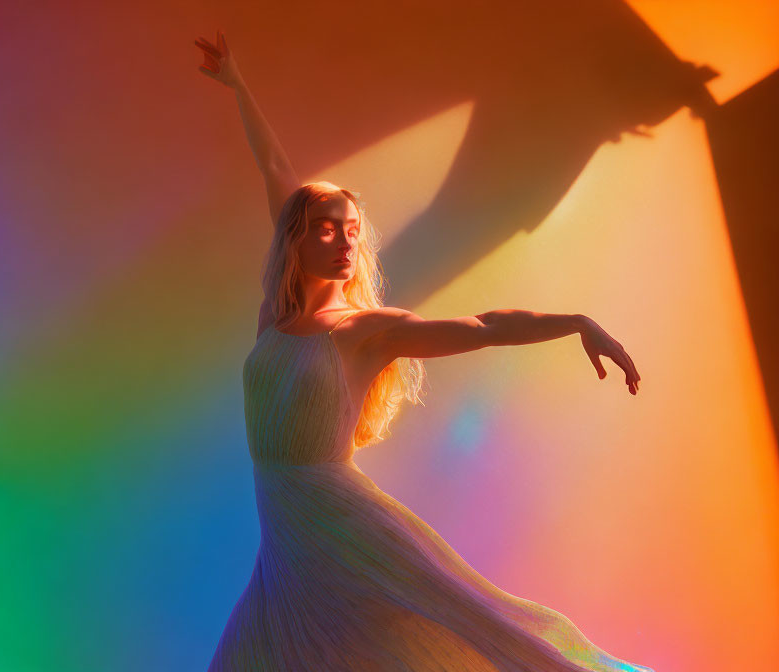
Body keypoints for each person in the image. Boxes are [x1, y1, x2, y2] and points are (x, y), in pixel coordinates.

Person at [197, 29, 651, 672]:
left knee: (479, 632)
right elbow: (275, 170)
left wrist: (576, 321)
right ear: (295, 239)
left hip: (343, 531)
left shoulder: (364, 330)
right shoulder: (276, 316)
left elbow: (483, 325)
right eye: (326, 229)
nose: (343, 242)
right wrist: (239, 84)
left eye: (352, 232)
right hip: (288, 544)